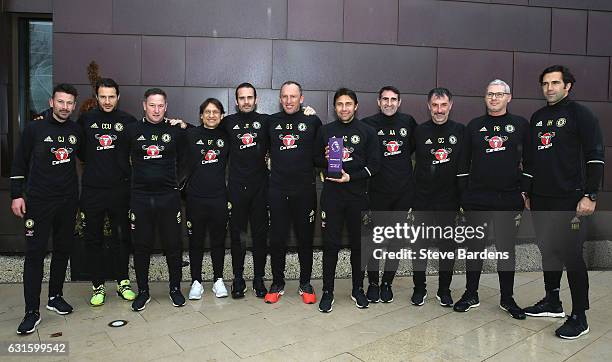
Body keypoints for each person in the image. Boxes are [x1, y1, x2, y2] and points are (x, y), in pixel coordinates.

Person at [523, 65, 605, 339]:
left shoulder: (581, 114)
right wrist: (528, 192)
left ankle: (580, 316)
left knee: (572, 255)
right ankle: (552, 301)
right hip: (542, 199)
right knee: (548, 251)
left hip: (571, 200)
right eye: (545, 83)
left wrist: (590, 194)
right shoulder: (537, 117)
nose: (549, 88)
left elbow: (595, 155)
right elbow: (532, 160)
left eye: (555, 83)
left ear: (567, 86)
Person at [454, 79, 529, 319]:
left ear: (509, 97)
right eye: (490, 94)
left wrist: (525, 190)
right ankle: (470, 294)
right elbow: (463, 163)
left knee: (506, 249)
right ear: (485, 98)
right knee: (474, 248)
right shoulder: (474, 126)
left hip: (508, 198)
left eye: (499, 94)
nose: (494, 98)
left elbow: (531, 161)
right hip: (477, 198)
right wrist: (464, 194)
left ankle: (507, 298)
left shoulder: (520, 125)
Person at [11, 83, 82, 334]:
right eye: (60, 102)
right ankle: (32, 311)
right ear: (52, 102)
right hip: (39, 202)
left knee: (63, 250)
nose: (65, 107)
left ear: (74, 105)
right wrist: (16, 195)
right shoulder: (34, 128)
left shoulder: (76, 130)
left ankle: (55, 297)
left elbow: (90, 157)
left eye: (69, 103)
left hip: (67, 201)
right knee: (35, 255)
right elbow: (19, 162)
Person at [315, 88, 380, 312]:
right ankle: (328, 291)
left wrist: (351, 176)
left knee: (359, 245)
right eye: (340, 104)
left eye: (348, 103)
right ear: (335, 107)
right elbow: (314, 159)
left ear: (356, 106)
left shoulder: (367, 132)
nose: (344, 108)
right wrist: (324, 159)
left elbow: (375, 166)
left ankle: (357, 289)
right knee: (330, 245)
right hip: (332, 197)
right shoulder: (326, 131)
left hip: (358, 198)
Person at [77, 78, 137, 306]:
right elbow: (80, 152)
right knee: (93, 239)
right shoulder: (86, 120)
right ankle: (97, 286)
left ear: (118, 97)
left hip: (120, 190)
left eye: (112, 96)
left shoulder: (128, 121)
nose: (108, 101)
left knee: (122, 238)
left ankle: (123, 282)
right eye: (103, 96)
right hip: (93, 190)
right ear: (96, 97)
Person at [126, 88, 187, 311]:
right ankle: (143, 291)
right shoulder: (132, 130)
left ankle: (174, 289)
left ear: (166, 107)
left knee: (173, 245)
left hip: (168, 198)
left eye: (160, 105)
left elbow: (190, 155)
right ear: (144, 105)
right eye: (152, 105)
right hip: (140, 198)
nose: (156, 110)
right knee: (141, 247)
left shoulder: (175, 131)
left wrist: (179, 184)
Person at [265, 81, 322, 304]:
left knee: (305, 239)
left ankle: (305, 283)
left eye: (293, 96)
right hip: (277, 190)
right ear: (280, 99)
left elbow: (321, 153)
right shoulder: (271, 122)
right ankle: (277, 283)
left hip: (304, 191)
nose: (289, 100)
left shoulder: (312, 121)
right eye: (285, 96)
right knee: (277, 239)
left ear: (302, 98)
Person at [362, 86, 417, 304]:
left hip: (403, 192)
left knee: (396, 241)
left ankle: (387, 283)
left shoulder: (408, 122)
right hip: (377, 192)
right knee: (375, 241)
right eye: (385, 99)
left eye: (393, 99)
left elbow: (414, 148)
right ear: (378, 101)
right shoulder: (367, 124)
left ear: (399, 102)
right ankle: (373, 283)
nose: (389, 103)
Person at [411, 88, 463, 308]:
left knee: (447, 247)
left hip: (449, 201)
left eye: (443, 105)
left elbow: (465, 167)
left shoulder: (461, 131)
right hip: (422, 200)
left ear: (450, 105)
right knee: (419, 246)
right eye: (435, 105)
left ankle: (444, 289)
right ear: (428, 106)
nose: (439, 110)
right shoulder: (419, 131)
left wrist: (462, 200)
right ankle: (419, 288)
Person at [221, 83, 271, 299]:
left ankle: (259, 278)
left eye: (250, 97)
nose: (246, 101)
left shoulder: (267, 121)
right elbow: (205, 129)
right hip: (236, 188)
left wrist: (307, 113)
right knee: (237, 236)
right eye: (242, 98)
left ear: (256, 99)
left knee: (260, 236)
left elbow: (290, 123)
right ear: (236, 101)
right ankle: (238, 278)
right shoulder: (227, 122)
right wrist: (179, 125)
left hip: (260, 187)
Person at [185, 98, 231, 300]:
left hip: (219, 197)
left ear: (221, 115)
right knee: (196, 241)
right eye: (207, 112)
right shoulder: (190, 135)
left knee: (218, 241)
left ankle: (218, 280)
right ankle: (196, 281)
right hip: (195, 198)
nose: (211, 115)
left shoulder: (227, 136)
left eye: (215, 112)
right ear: (201, 115)